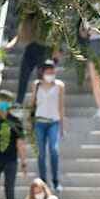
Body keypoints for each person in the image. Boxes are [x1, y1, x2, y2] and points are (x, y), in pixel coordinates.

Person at [27, 60, 66, 192]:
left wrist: (62, 127)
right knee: (41, 153)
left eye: (52, 73)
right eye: (48, 73)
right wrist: (29, 120)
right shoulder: (37, 85)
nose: (50, 75)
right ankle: (43, 180)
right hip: (39, 122)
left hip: (54, 122)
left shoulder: (59, 86)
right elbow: (32, 103)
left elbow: (61, 106)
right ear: (43, 73)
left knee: (53, 149)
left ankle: (55, 179)